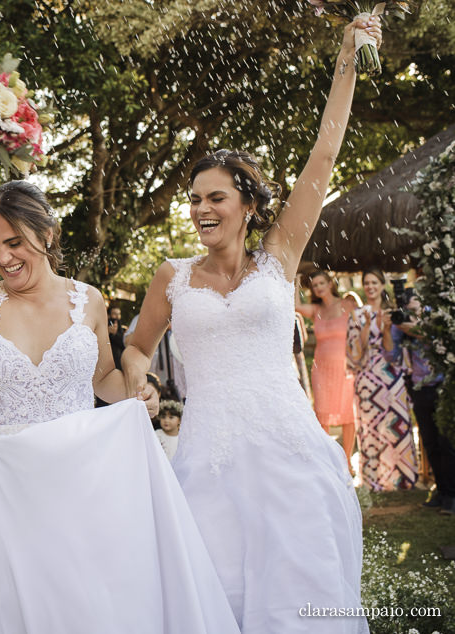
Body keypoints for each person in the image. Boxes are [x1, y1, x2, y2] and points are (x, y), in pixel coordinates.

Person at [0, 137, 240, 633]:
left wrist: (137, 386)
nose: (4, 259)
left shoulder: (89, 301)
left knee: (103, 608)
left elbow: (104, 380)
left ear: (48, 234)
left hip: (92, 482)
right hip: (19, 493)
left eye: (15, 243)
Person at [123, 19, 378, 633]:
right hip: (209, 453)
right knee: (218, 587)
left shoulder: (280, 257)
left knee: (303, 585)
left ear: (248, 207)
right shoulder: (171, 277)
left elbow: (325, 152)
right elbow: (135, 347)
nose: (201, 210)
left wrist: (345, 56)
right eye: (195, 199)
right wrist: (139, 381)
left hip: (288, 442)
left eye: (215, 198)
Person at [347, 268, 418, 491]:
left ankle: (402, 478)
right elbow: (355, 353)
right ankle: (374, 480)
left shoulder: (393, 313)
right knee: (371, 429)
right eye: (366, 283)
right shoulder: (356, 316)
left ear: (382, 285)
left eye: (374, 282)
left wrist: (386, 327)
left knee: (397, 424)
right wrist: (367, 326)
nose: (370, 287)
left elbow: (392, 349)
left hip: (391, 376)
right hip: (367, 378)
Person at [391, 289, 455, 513]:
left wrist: (410, 328)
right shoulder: (401, 324)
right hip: (419, 388)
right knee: (429, 443)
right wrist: (393, 327)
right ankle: (442, 490)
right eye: (407, 301)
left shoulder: (436, 318)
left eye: (415, 299)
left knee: (446, 443)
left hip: (442, 387)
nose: (412, 303)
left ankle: (451, 495)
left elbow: (436, 337)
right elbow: (391, 355)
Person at [295, 269, 358, 469]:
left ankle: (347, 461)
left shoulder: (348, 305)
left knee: (349, 414)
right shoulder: (316, 310)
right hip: (321, 369)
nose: (318, 287)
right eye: (314, 285)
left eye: (321, 283)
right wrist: (296, 282)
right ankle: (328, 462)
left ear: (330, 284)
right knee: (322, 413)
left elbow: (362, 328)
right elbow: (295, 306)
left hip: (345, 367)